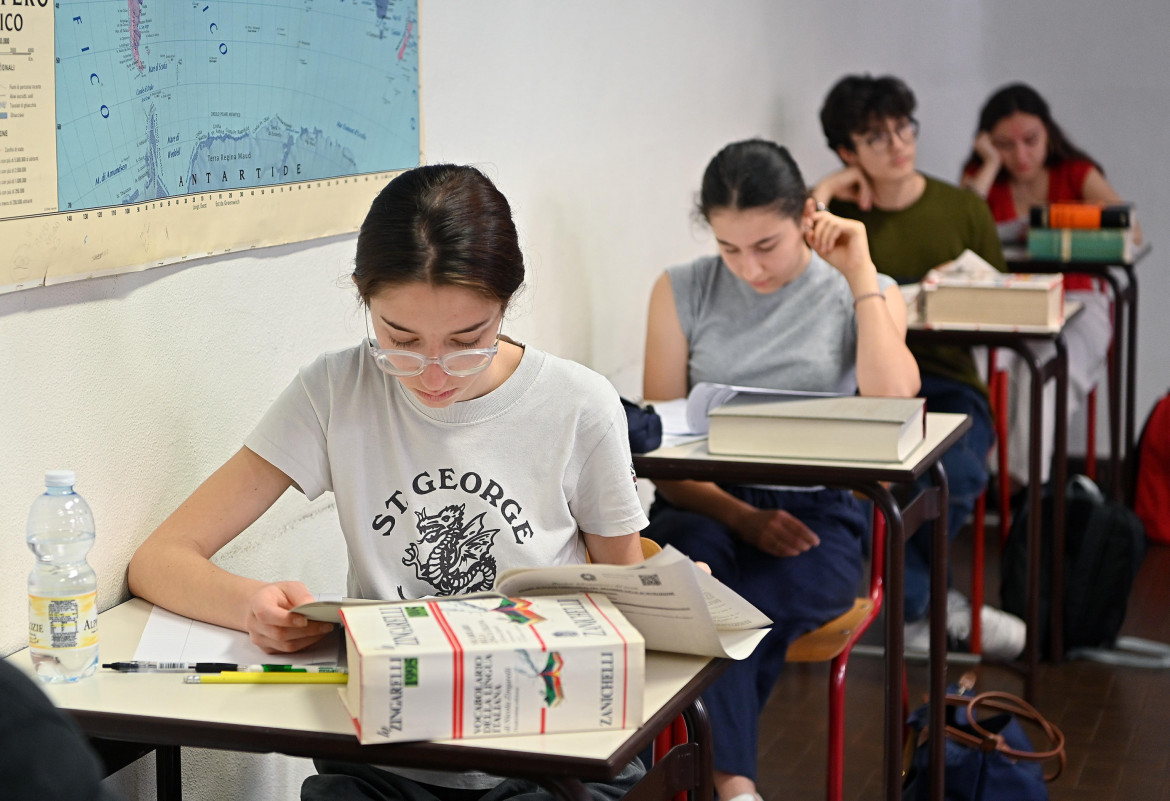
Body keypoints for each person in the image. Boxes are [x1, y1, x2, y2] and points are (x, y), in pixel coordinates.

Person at [128, 164, 649, 801]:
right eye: (399, 339)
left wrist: (670, 597)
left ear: (506, 305)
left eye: (467, 340)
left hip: (548, 753)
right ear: (363, 297)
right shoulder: (334, 392)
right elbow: (159, 559)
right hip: (388, 758)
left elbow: (622, 595)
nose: (432, 374)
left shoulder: (577, 404)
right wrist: (251, 606)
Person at [642, 138, 920, 801]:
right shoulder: (681, 289)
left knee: (726, 614)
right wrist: (742, 515)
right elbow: (660, 447)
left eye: (766, 245)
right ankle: (736, 788)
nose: (749, 268)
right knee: (697, 592)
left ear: (807, 216)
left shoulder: (868, 290)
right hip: (706, 501)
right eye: (729, 248)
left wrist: (860, 276)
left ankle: (724, 783)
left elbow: (895, 404)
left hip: (820, 509)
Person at [812, 73, 1026, 660]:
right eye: (876, 137)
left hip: (949, 377)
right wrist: (831, 186)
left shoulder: (963, 207)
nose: (899, 143)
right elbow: (799, 260)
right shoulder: (844, 216)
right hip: (868, 382)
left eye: (904, 126)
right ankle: (933, 608)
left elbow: (1001, 300)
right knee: (863, 482)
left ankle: (914, 609)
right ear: (848, 151)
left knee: (950, 471)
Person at [960, 81, 1139, 489]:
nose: (1020, 155)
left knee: (1045, 369)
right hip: (1011, 302)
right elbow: (961, 225)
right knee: (996, 365)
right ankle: (994, 479)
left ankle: (1026, 487)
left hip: (1077, 298)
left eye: (1030, 140)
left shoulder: (1074, 172)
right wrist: (987, 163)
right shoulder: (984, 180)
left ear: (1049, 133)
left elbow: (1133, 232)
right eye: (1004, 144)